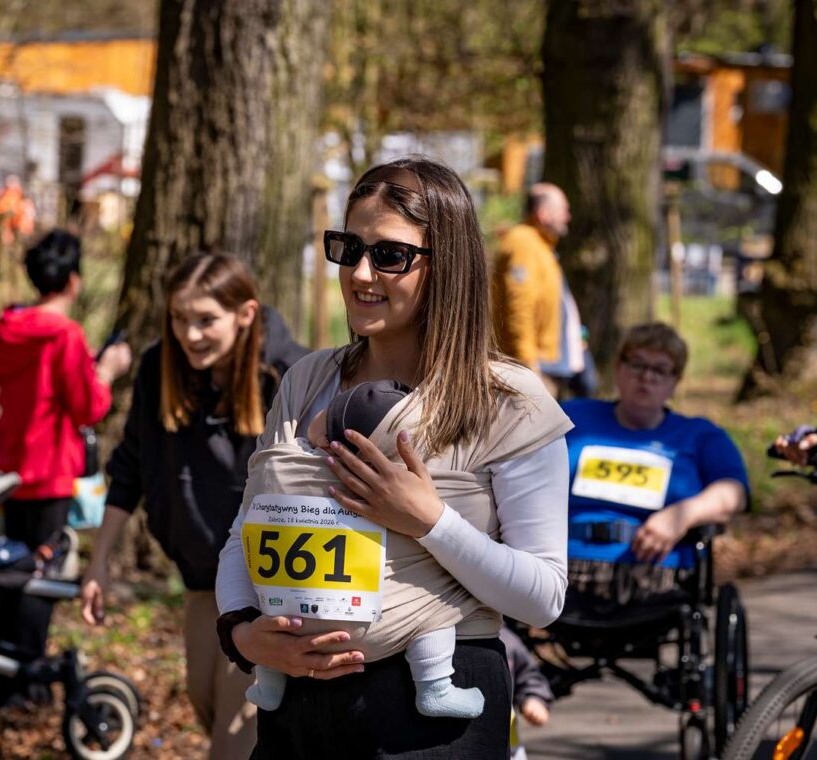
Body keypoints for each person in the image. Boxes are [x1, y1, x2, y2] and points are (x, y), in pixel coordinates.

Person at [215, 157, 573, 759]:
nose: (359, 274)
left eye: (390, 255)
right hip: (298, 713)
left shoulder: (509, 400)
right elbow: (242, 538)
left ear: (448, 266)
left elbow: (544, 597)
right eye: (349, 247)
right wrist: (244, 636)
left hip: (435, 715)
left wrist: (429, 522)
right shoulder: (306, 381)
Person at [79, 252, 307, 760]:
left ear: (246, 314)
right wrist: (99, 559)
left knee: (232, 742)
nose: (190, 334)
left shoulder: (289, 376)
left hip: (266, 587)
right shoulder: (160, 368)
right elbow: (130, 466)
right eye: (180, 318)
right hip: (202, 581)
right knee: (204, 705)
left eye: (206, 320)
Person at [242, 380, 484, 718]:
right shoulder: (400, 492)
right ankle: (435, 687)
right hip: (384, 631)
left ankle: (268, 684)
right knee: (434, 606)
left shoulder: (286, 466)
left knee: (273, 610)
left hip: (293, 623)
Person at [0, 229, 132, 669]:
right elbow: (88, 407)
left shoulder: (8, 324)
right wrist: (105, 371)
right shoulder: (64, 335)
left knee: (11, 568)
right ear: (72, 280)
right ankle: (24, 670)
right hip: (49, 472)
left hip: (7, 467)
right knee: (42, 576)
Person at [560, 322, 748, 593]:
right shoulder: (572, 417)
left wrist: (682, 516)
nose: (646, 377)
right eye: (636, 364)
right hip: (562, 567)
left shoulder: (699, 435)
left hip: (659, 575)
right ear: (618, 368)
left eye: (660, 369)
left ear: (675, 382)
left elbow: (733, 492)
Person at [491, 183, 585, 396]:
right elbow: (519, 305)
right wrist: (527, 362)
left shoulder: (541, 246)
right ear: (542, 214)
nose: (568, 217)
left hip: (546, 363)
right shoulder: (523, 242)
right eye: (564, 210)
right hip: (532, 367)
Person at [498, 626, 553, 760]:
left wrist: (534, 698)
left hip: (508, 747)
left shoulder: (507, 639)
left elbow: (528, 675)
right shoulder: (441, 637)